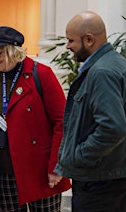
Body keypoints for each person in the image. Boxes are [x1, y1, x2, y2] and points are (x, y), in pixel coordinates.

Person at [0, 26, 71, 211]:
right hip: (4, 170)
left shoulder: (41, 74)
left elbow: (62, 123)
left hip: (39, 169)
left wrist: (56, 166)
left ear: (13, 51)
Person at [55, 11, 126, 211]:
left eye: (71, 40)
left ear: (89, 39)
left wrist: (80, 156)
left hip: (99, 181)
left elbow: (113, 127)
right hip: (106, 176)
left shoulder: (101, 72)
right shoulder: (113, 63)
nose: (67, 46)